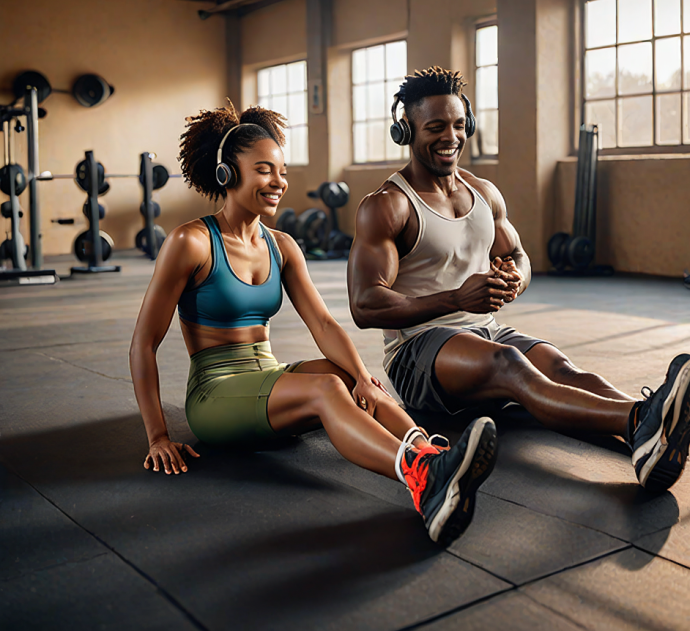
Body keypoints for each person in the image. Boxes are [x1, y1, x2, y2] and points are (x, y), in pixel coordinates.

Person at [129, 102, 498, 547]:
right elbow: (144, 343)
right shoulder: (190, 241)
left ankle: (431, 453)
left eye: (281, 171)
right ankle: (422, 478)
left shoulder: (282, 245)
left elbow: (322, 323)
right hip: (216, 394)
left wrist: (363, 378)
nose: (278, 182)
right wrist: (157, 436)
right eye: (264, 170)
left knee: (349, 379)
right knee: (328, 390)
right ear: (228, 174)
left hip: (265, 376)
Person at [347, 67, 690, 493]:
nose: (450, 136)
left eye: (457, 124)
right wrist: (456, 298)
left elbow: (518, 256)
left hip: (483, 331)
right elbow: (365, 304)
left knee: (559, 365)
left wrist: (513, 279)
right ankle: (643, 421)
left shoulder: (483, 192)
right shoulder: (387, 206)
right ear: (405, 130)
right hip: (418, 353)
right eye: (434, 127)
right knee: (510, 364)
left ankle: (646, 429)